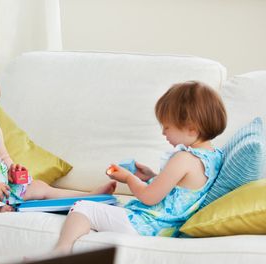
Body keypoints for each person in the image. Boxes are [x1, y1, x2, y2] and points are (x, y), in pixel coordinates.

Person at [53, 81, 227, 253]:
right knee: (109, 206)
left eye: (167, 126)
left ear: (191, 129)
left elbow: (149, 197)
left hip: (145, 227)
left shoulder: (183, 158)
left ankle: (60, 252)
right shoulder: (215, 157)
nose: (163, 132)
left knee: (83, 207)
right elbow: (179, 191)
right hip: (165, 230)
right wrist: (150, 176)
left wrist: (129, 178)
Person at [0, 62, 117, 213]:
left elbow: (3, 156)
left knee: (39, 187)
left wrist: (12, 169)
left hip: (2, 184)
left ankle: (89, 196)